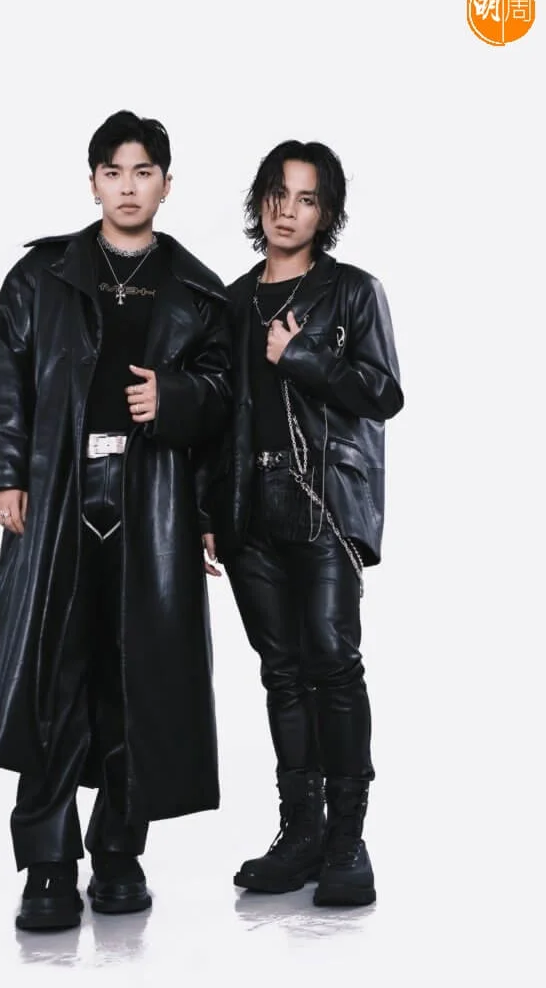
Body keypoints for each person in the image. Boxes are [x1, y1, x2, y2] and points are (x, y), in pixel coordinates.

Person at [0, 110, 231, 930]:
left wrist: (175, 400)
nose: (128, 187)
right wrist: (5, 477)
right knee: (51, 677)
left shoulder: (199, 289)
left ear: (167, 184)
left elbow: (226, 401)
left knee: (133, 679)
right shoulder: (41, 276)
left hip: (153, 503)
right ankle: (47, 864)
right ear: (93, 182)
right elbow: (7, 380)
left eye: (143, 172)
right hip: (57, 497)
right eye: (114, 172)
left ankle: (118, 854)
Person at [200, 139, 403, 906]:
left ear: (327, 213)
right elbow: (217, 417)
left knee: (333, 662)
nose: (289, 211)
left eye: (307, 198)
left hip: (323, 507)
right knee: (281, 672)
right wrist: (208, 512)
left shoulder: (351, 292)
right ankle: (301, 833)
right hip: (249, 512)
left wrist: (302, 358)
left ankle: (348, 840)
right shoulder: (229, 303)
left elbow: (382, 392)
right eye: (278, 195)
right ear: (261, 202)